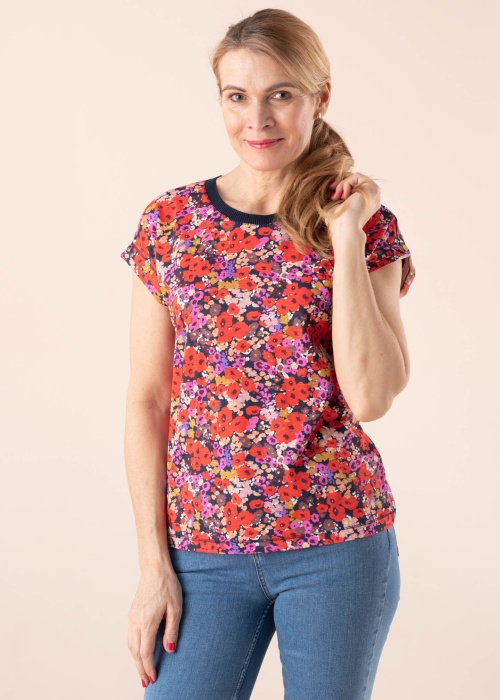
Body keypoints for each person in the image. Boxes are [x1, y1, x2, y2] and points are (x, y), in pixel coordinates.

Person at [120, 8, 416, 699]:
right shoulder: (172, 224)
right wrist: (153, 565)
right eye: (237, 96)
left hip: (336, 542)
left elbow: (372, 397)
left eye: (280, 94)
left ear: (320, 97)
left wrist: (346, 237)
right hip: (201, 551)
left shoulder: (364, 226)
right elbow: (147, 400)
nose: (257, 119)